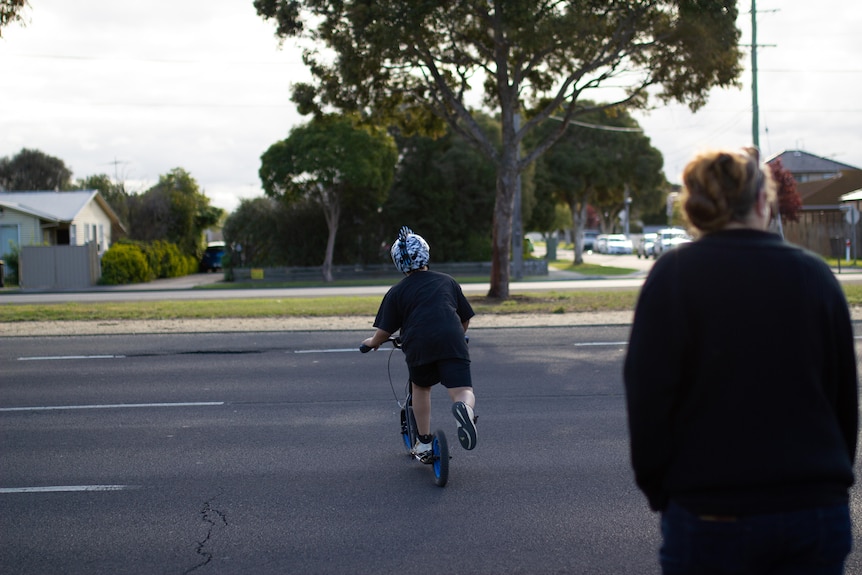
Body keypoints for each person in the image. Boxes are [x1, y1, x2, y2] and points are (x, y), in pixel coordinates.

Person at [623, 147, 858, 574]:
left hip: (711, 511)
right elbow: (844, 402)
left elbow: (648, 402)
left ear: (696, 207)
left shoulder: (673, 276)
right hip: (813, 510)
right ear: (762, 201)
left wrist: (665, 493)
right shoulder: (816, 275)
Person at [361, 226, 478, 457]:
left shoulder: (397, 292)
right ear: (426, 253)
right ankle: (464, 408)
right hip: (452, 340)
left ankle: (424, 443)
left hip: (418, 344)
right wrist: (458, 334)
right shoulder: (448, 282)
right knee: (462, 389)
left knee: (421, 388)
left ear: (398, 263)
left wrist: (371, 342)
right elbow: (464, 318)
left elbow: (384, 331)